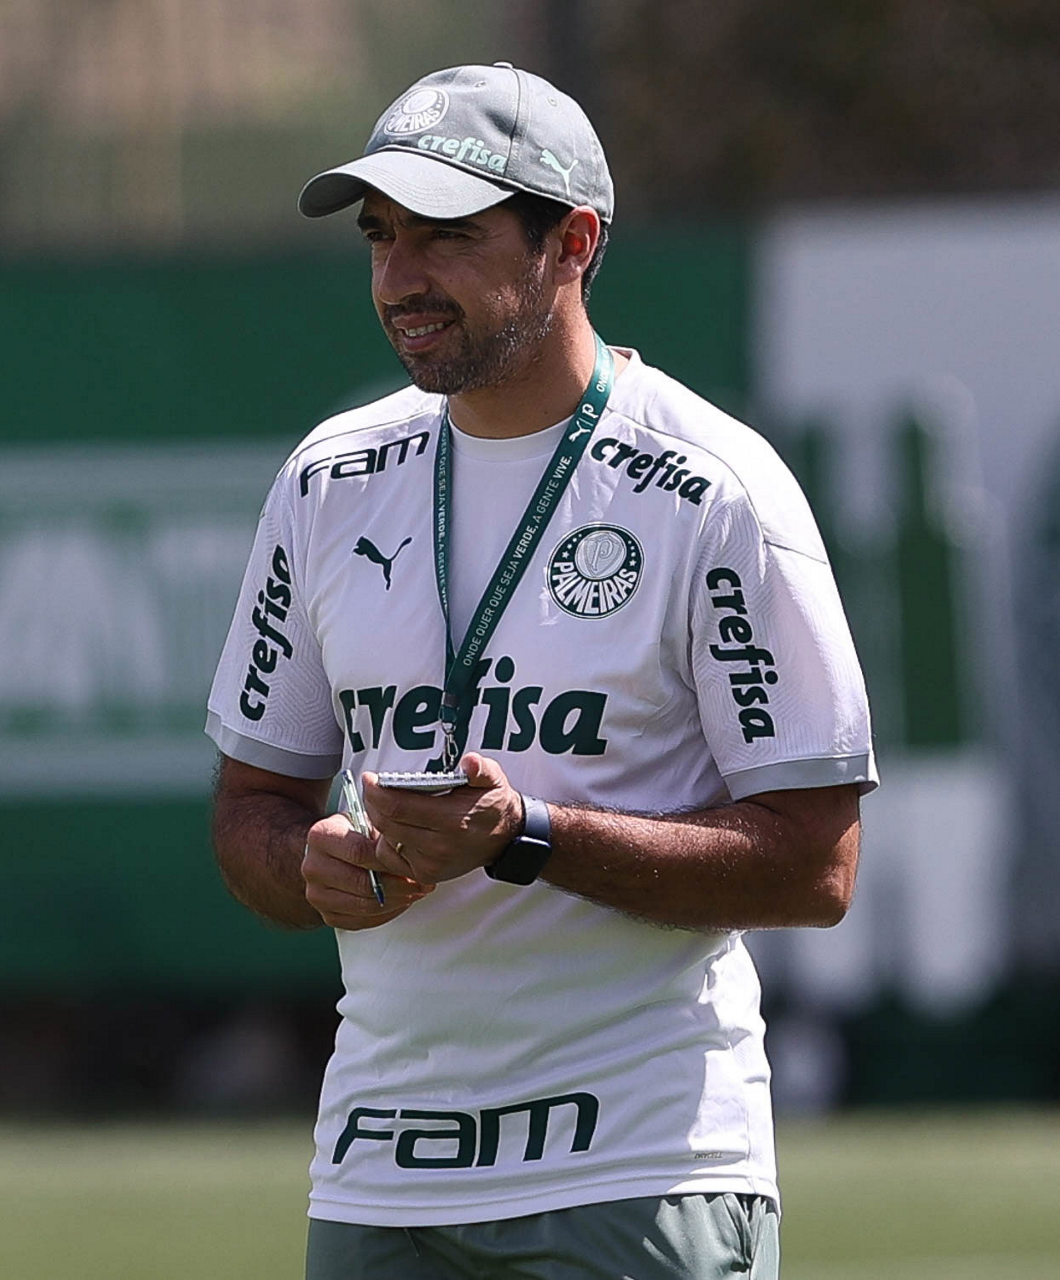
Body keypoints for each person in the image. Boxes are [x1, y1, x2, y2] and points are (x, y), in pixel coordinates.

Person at [206, 62, 878, 1280]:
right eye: (380, 236)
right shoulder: (326, 480)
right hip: (377, 1176)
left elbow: (814, 864)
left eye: (446, 235)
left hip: (638, 1172)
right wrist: (309, 866)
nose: (398, 277)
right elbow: (252, 804)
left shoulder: (713, 489)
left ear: (571, 242)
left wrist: (526, 836)